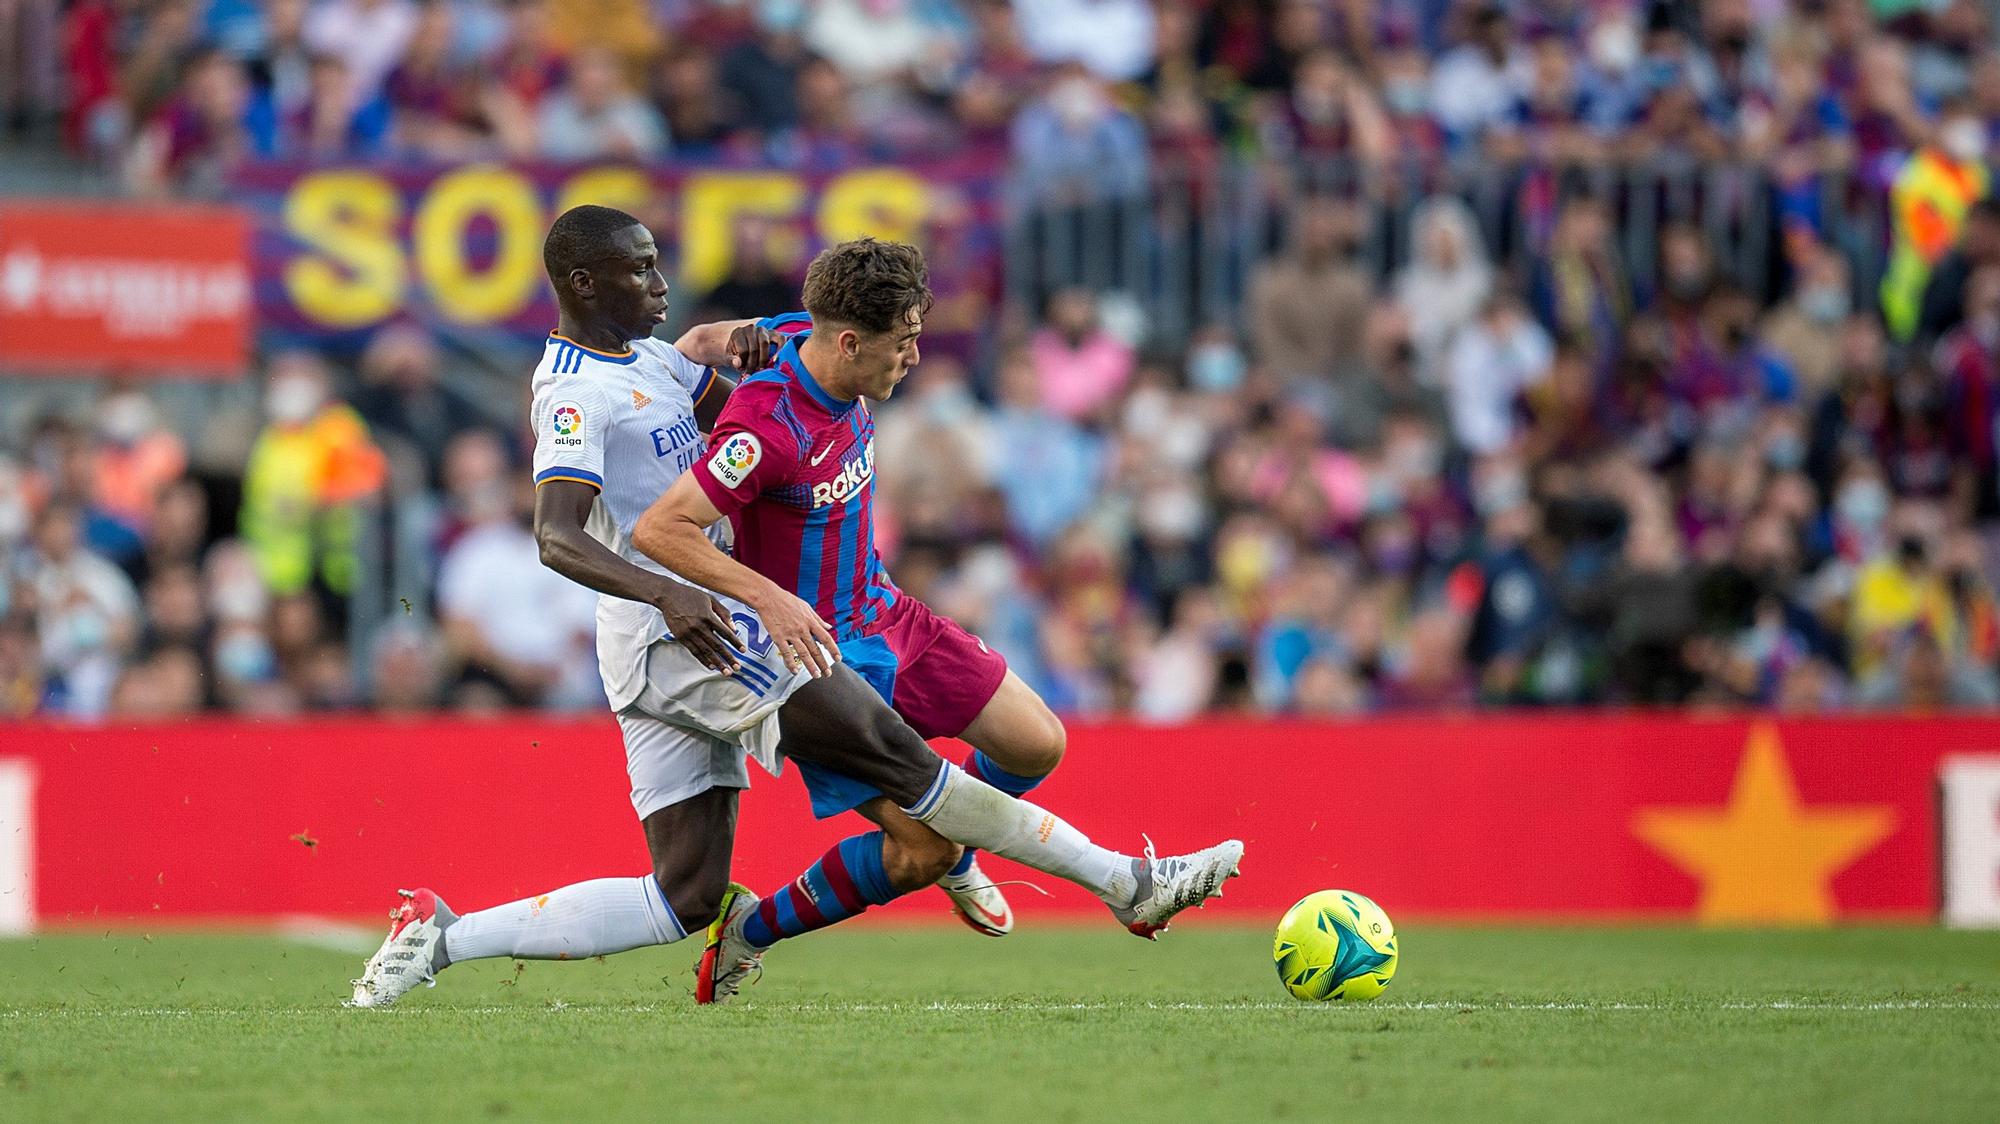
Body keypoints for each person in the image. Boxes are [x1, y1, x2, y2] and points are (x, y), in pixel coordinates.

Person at [349, 208, 1239, 1010]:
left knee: (686, 896)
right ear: (584, 283)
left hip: (701, 623)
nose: (662, 285)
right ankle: (1127, 882)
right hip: (691, 635)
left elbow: (740, 407)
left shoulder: (650, 360)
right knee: (907, 772)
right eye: (643, 270)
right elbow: (559, 536)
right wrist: (694, 592)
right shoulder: (571, 394)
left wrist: (746, 347)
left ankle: (440, 936)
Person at [631, 237, 1241, 995]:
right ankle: (748, 934)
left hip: (886, 611)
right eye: (904, 343)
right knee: (922, 853)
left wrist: (719, 341)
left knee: (1035, 744)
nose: (913, 359)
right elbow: (659, 529)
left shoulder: (798, 329)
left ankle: (968, 837)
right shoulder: (763, 430)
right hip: (820, 662)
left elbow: (692, 344)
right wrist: (769, 597)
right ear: (851, 341)